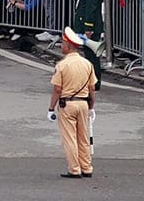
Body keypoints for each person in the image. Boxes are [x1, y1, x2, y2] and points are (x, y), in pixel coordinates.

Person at [50, 29, 97, 177]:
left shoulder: (62, 65)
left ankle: (74, 169)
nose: (61, 46)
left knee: (70, 139)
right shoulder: (87, 64)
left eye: (63, 43)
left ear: (68, 46)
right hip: (83, 104)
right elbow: (92, 88)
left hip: (68, 104)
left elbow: (57, 89)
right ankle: (87, 168)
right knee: (83, 138)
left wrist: (51, 108)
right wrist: (91, 107)